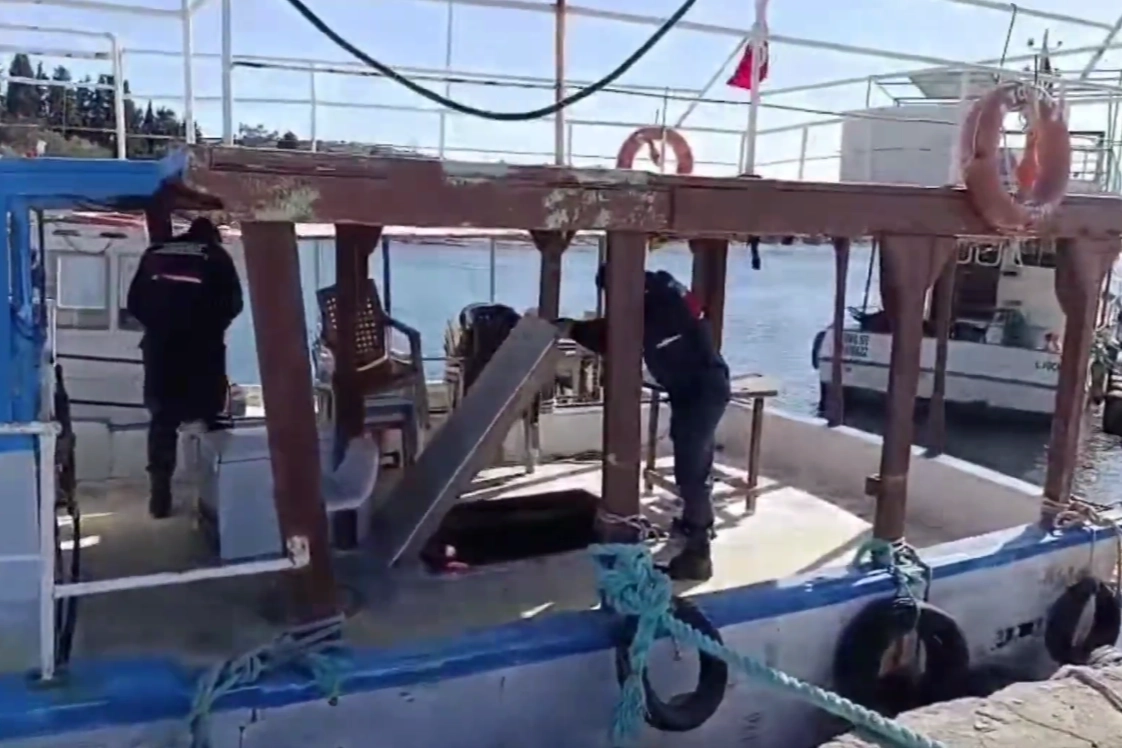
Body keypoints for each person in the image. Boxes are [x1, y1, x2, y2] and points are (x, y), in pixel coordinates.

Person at [555, 265, 730, 581]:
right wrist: (577, 328)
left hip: (702, 391)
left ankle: (698, 555)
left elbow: (621, 336)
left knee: (691, 471)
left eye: (612, 294)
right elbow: (625, 329)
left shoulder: (661, 303)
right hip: (695, 388)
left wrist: (574, 329)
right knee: (694, 462)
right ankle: (694, 524)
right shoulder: (661, 293)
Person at [127, 217, 243, 519]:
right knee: (213, 420)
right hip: (202, 351)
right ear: (213, 236)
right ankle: (221, 495)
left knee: (163, 422)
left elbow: (135, 302)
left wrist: (159, 326)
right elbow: (233, 304)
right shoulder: (215, 256)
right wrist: (209, 326)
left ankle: (160, 496)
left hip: (161, 351)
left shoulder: (156, 252)